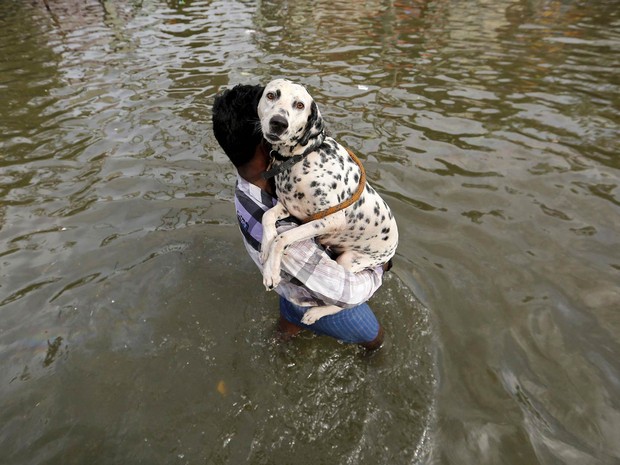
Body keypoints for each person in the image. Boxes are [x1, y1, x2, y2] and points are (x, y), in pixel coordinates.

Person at [212, 84, 386, 350]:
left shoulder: (249, 185)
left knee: (284, 333)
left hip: (288, 285)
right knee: (376, 340)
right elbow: (346, 292)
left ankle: (278, 345)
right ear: (268, 137)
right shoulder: (284, 237)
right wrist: (380, 268)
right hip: (311, 293)